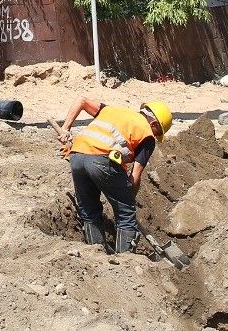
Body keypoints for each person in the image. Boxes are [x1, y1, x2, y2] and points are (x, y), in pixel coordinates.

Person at [56, 96, 173, 254]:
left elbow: (82, 100)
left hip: (76, 156)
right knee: (125, 214)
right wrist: (128, 199)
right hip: (102, 161)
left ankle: (95, 254)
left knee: (89, 211)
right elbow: (135, 177)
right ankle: (126, 259)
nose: (156, 137)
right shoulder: (147, 136)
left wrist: (66, 128)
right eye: (158, 132)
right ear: (153, 124)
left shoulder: (111, 110)